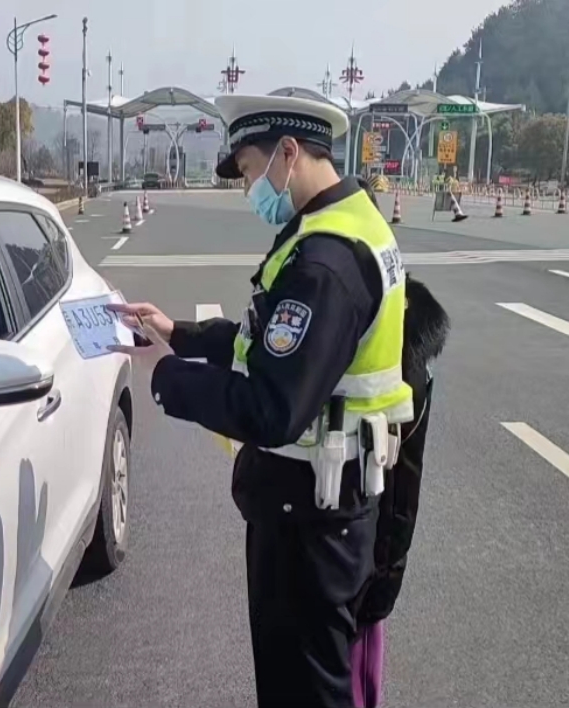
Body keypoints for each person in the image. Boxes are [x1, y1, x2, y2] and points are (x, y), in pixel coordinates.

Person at [109, 94, 414, 707]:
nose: (249, 188)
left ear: (289, 154)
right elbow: (270, 347)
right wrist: (182, 335)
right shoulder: (352, 222)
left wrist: (171, 379)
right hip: (328, 511)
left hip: (311, 528)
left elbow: (274, 407)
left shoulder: (325, 262)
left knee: (302, 694)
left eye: (249, 171)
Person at [350, 273, 450, 707]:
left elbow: (396, 492)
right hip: (360, 558)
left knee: (353, 670)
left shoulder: (390, 355)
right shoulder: (397, 330)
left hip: (357, 560)